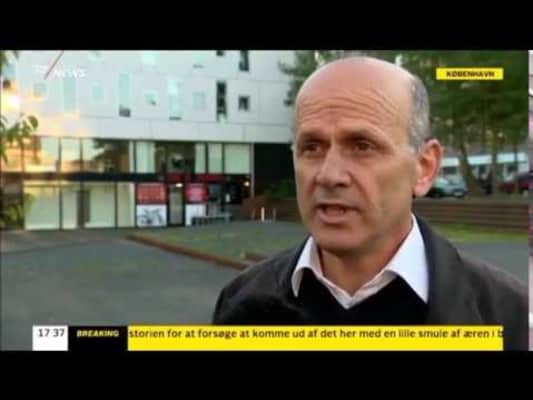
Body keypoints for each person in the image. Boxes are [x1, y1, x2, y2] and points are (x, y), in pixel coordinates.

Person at [212, 56, 528, 350]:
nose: (329, 175)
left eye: (362, 146)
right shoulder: (240, 303)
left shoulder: (508, 314)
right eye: (312, 147)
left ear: (424, 167)